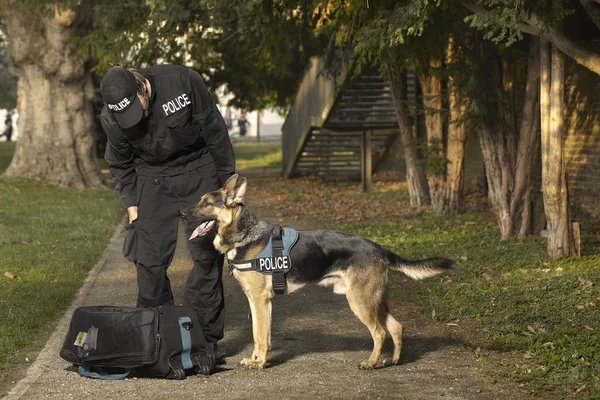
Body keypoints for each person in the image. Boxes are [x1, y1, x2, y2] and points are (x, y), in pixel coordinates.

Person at [99, 65, 235, 359]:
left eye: (137, 109)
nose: (134, 120)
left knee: (206, 258)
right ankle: (156, 337)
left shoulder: (184, 81)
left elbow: (215, 132)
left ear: (143, 88)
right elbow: (121, 166)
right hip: (152, 177)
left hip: (197, 169)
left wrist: (227, 189)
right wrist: (133, 211)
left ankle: (203, 342)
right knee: (148, 261)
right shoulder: (111, 118)